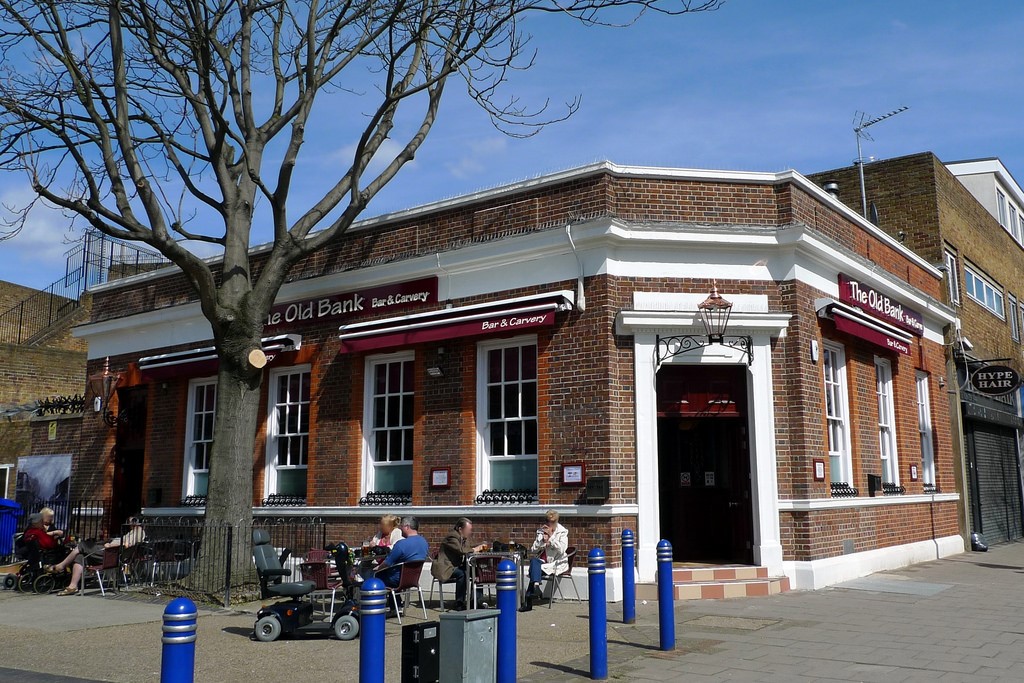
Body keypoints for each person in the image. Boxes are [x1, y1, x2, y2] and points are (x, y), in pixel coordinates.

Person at [47, 516, 146, 596]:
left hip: (111, 554)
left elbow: (127, 544)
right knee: (80, 556)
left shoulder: (139, 532)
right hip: (109, 552)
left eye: (132, 520)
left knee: (82, 545)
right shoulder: (133, 531)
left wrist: (111, 544)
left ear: (136, 522)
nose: (129, 523)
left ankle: (61, 566)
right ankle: (72, 586)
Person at [431, 517, 486, 611]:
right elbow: (461, 550)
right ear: (460, 529)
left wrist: (476, 549)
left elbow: (468, 550)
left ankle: (476, 601)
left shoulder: (464, 538)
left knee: (477, 572)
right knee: (462, 574)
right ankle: (459, 603)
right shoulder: (452, 537)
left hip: (456, 565)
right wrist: (476, 549)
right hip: (446, 567)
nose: (470, 532)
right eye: (468, 530)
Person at [375, 516, 429, 612]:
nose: (400, 529)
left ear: (407, 527)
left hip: (397, 579)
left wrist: (377, 568)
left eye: (402, 527)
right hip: (413, 578)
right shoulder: (424, 542)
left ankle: (375, 607)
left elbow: (387, 563)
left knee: (377, 575)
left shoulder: (401, 544)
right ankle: (396, 606)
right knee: (392, 573)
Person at [521, 509, 569, 611]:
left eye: (552, 523)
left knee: (535, 570)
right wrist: (542, 541)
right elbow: (534, 549)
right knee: (534, 562)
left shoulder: (563, 532)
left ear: (556, 522)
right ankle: (536, 585)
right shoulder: (541, 531)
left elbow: (562, 550)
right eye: (548, 522)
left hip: (557, 562)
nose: (549, 525)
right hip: (543, 561)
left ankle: (529, 601)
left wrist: (551, 538)